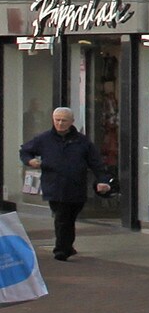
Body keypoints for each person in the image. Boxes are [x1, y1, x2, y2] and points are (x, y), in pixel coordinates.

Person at [19, 108, 111, 260]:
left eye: (64, 120)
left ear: (71, 122)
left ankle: (67, 245)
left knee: (69, 217)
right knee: (62, 217)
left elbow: (96, 163)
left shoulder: (82, 141)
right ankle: (61, 249)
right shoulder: (44, 139)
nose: (60, 123)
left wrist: (102, 180)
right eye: (57, 120)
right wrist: (30, 160)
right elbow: (25, 151)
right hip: (54, 186)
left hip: (76, 186)